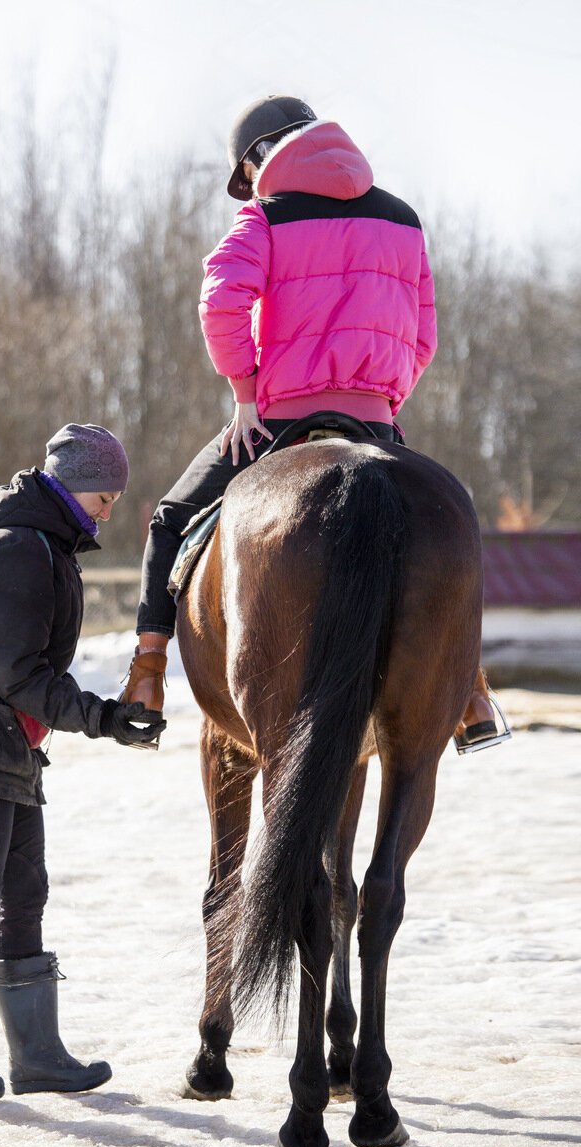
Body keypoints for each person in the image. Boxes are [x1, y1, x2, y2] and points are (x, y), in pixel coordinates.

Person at [122, 94, 499, 751]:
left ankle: (146, 675)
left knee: (172, 516)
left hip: (276, 420)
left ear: (261, 156)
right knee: (450, 517)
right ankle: (472, 692)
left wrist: (245, 394)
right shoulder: (403, 219)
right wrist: (382, 400)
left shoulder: (264, 217)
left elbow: (221, 302)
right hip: (374, 422)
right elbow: (425, 332)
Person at [0, 424, 165, 1107]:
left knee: (26, 891)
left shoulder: (44, 544)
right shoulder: (20, 548)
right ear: (75, 485)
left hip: (9, 739)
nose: (108, 511)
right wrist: (106, 719)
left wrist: (98, 718)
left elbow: (26, 677)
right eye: (106, 497)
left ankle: (38, 1057)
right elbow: (21, 672)